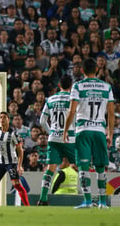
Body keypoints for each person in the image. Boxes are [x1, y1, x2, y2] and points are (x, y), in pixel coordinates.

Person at [63, 58, 114, 209]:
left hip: (83, 130)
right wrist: (110, 134)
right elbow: (111, 114)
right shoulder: (106, 87)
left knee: (83, 166)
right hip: (99, 131)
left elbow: (72, 111)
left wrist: (66, 130)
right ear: (97, 70)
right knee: (100, 166)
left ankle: (86, 201)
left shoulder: (78, 86)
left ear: (83, 71)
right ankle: (103, 202)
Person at [37, 74, 76, 205]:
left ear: (59, 85)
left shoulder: (51, 99)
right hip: (70, 138)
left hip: (54, 138)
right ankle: (89, 199)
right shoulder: (73, 99)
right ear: (71, 86)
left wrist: (51, 132)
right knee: (81, 166)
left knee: (50, 169)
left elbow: (42, 121)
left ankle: (43, 199)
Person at [0, 112, 29, 206]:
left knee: (16, 184)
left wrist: (19, 166)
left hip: (11, 162)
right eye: (0, 117)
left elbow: (20, 151)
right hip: (0, 162)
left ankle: (27, 206)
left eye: (4, 117)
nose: (2, 119)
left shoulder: (13, 133)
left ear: (8, 120)